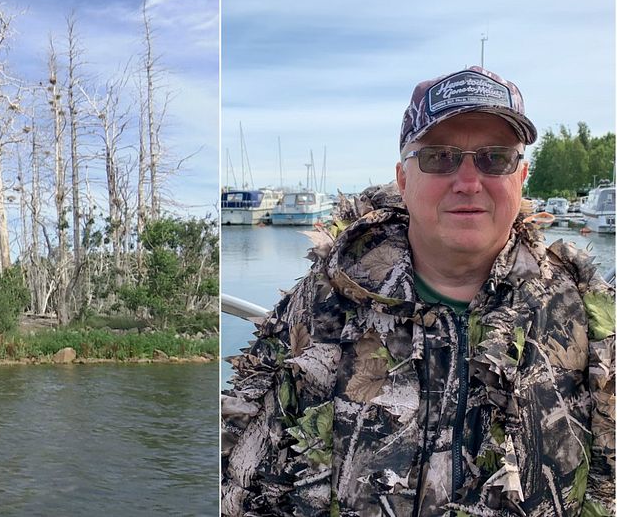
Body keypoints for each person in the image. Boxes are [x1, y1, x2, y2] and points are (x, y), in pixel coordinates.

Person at [221, 66, 615, 516]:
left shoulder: (590, 318)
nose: (468, 181)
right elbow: (242, 480)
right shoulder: (320, 303)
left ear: (520, 177)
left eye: (495, 158)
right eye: (440, 157)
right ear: (403, 180)